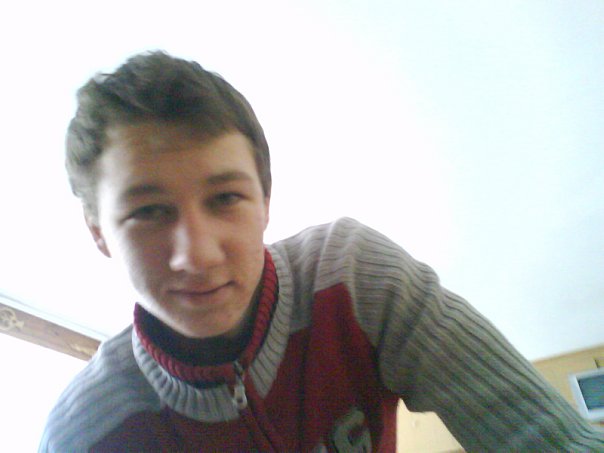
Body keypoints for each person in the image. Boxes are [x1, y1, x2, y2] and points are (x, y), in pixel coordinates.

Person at [39, 51, 603, 452]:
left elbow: (544, 435)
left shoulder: (355, 279)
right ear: (98, 232)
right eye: (148, 212)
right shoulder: (84, 434)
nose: (199, 256)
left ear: (266, 202)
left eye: (226, 198)